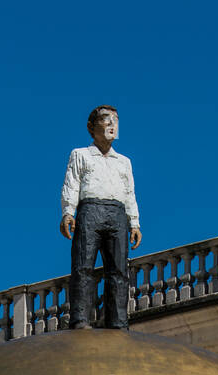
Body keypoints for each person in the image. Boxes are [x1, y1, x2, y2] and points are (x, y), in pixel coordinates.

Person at [60, 104, 141, 331]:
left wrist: (134, 222)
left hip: (117, 213)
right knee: (83, 266)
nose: (112, 124)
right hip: (90, 210)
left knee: (118, 270)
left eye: (115, 120)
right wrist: (68, 211)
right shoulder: (80, 155)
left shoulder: (124, 162)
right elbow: (71, 184)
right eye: (106, 119)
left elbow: (129, 192)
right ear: (91, 127)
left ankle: (118, 321)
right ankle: (80, 319)